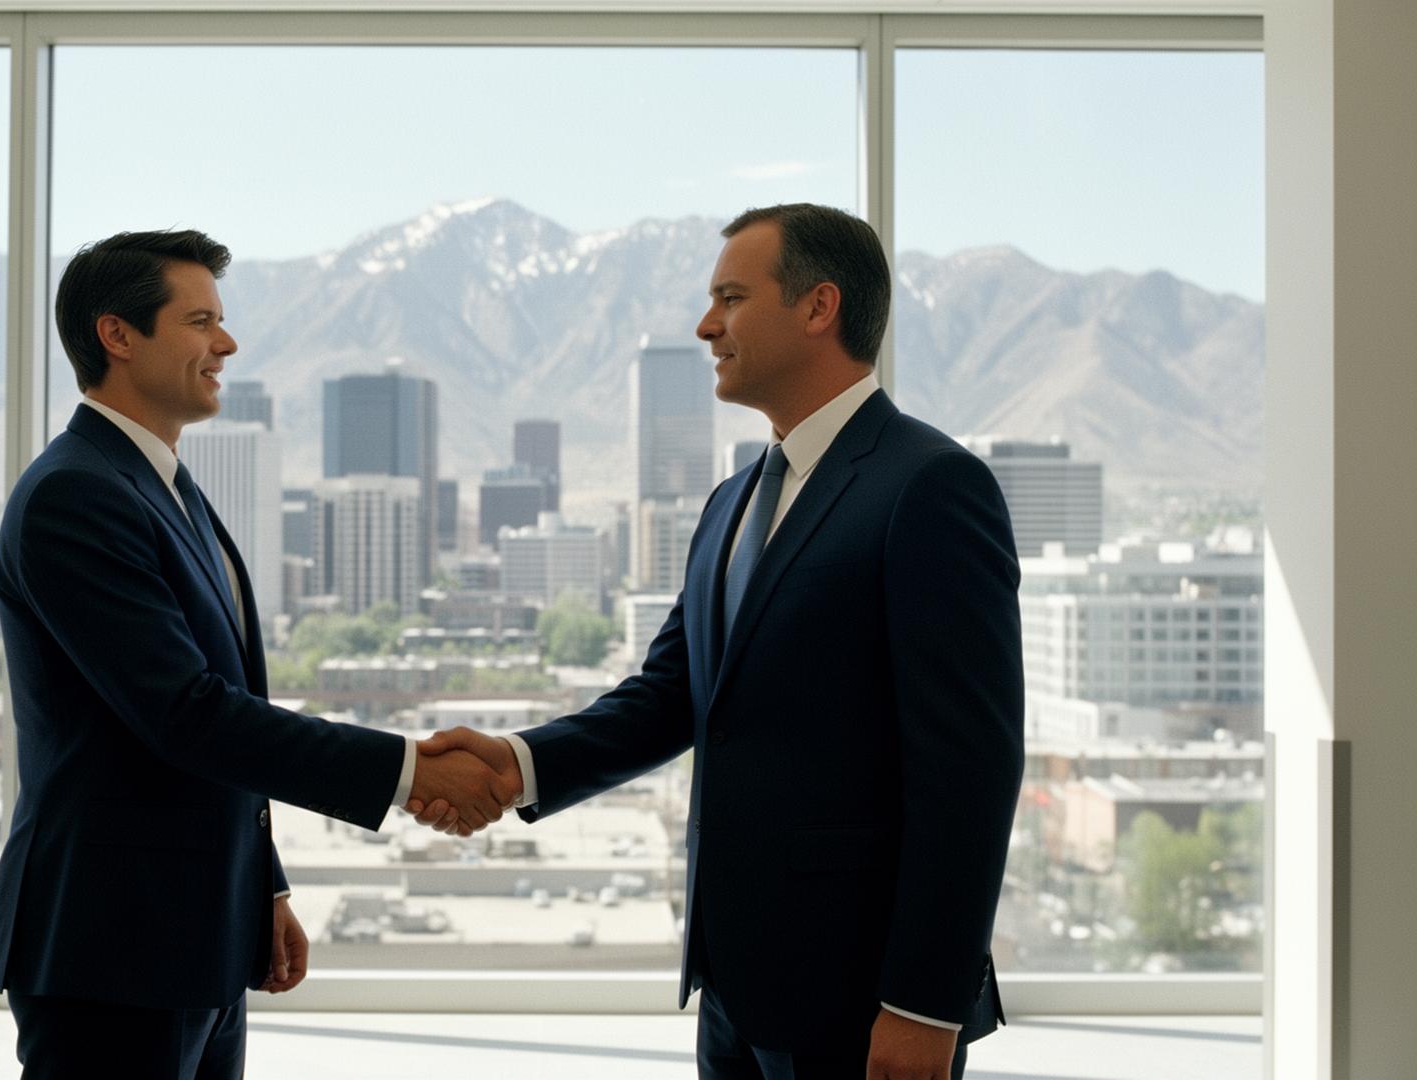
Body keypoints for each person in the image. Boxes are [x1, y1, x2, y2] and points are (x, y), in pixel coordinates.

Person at [413, 204, 1024, 1080]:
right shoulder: (731, 500)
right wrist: (516, 766)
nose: (706, 326)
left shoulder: (931, 488)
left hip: (865, 1004)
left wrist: (925, 1002)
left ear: (819, 307)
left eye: (730, 299)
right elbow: (673, 695)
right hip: (733, 990)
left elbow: (970, 769)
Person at [0, 229, 521, 1080]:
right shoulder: (73, 496)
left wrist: (259, 887)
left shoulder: (164, 486)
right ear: (117, 335)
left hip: (198, 937)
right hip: (110, 948)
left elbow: (220, 705)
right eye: (200, 321)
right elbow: (186, 714)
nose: (226, 344)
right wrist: (411, 771)